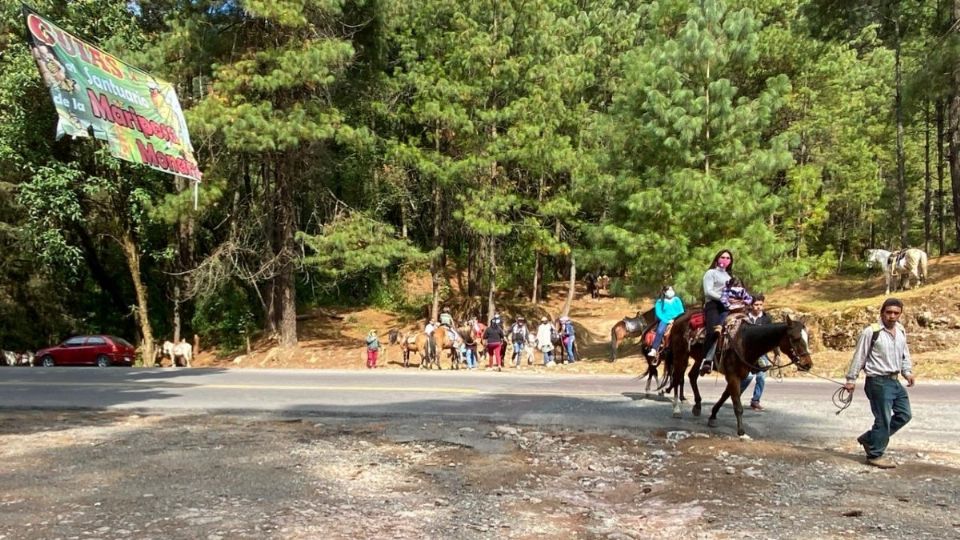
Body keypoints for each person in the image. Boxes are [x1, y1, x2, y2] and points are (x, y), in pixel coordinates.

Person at [843, 298, 915, 469]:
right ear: (882, 312)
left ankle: (870, 438)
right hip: (878, 382)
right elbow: (859, 355)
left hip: (894, 380)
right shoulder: (871, 331)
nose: (892, 316)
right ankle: (875, 454)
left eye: (896, 313)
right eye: (888, 312)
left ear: (900, 314)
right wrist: (851, 379)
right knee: (882, 419)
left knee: (905, 415)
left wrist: (907, 371)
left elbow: (904, 353)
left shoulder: (901, 330)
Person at [738, 294, 778, 411]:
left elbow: (772, 336)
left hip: (761, 353)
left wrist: (776, 352)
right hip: (747, 352)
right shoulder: (745, 317)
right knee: (748, 376)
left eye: (761, 305)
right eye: (756, 304)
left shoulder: (767, 319)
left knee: (761, 377)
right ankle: (736, 395)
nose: (758, 307)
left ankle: (755, 400)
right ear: (751, 305)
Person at [700, 249, 734, 375]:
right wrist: (722, 298)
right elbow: (708, 291)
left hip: (727, 306)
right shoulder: (710, 273)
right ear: (717, 259)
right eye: (723, 257)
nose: (725, 260)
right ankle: (706, 360)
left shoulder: (730, 276)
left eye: (728, 258)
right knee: (713, 331)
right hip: (713, 305)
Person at [649, 285, 684, 357]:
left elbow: (681, 310)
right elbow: (659, 313)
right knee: (660, 331)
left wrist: (677, 319)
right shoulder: (660, 302)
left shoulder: (677, 300)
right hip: (665, 320)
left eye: (672, 290)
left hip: (678, 319)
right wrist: (667, 321)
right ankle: (654, 349)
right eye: (669, 290)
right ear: (664, 292)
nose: (671, 291)